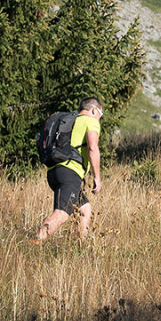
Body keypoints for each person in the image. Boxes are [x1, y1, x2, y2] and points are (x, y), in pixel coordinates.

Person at [33, 97, 103, 242]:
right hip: (70, 173)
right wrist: (97, 177)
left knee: (85, 210)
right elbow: (92, 147)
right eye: (100, 115)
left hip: (54, 171)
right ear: (94, 110)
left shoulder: (73, 120)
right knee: (62, 213)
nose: (99, 119)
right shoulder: (91, 121)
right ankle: (34, 242)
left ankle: (80, 247)